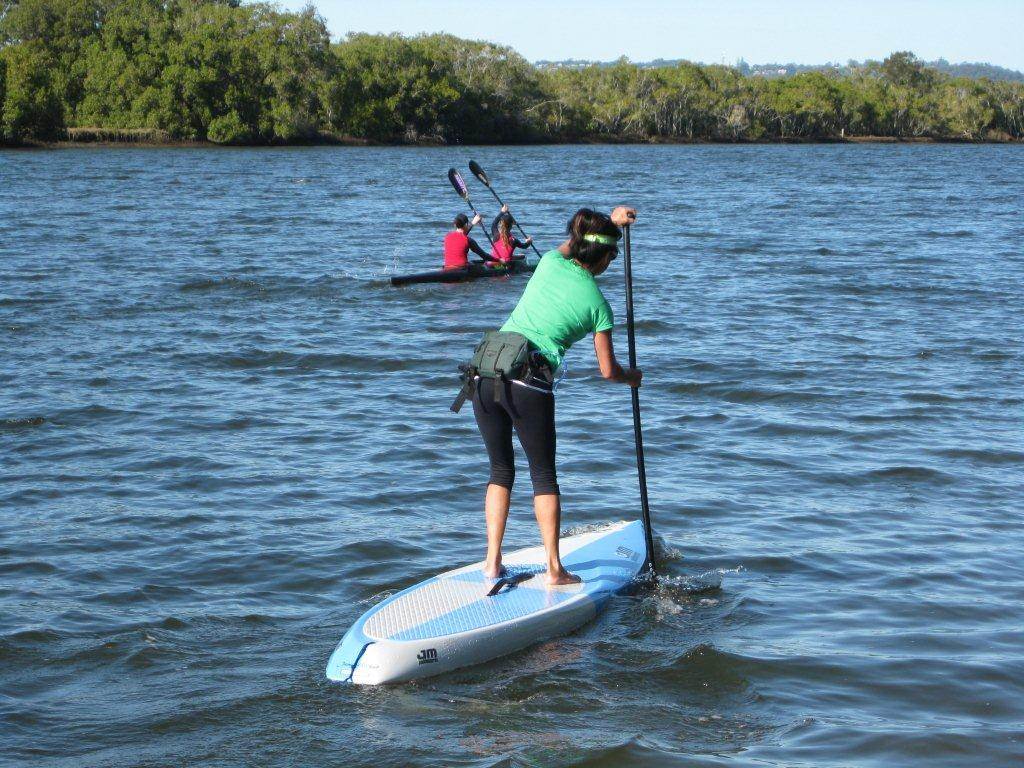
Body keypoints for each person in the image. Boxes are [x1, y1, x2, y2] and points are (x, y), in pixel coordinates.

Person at [470, 205, 641, 585]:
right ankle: (554, 569)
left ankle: (492, 562)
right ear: (603, 256)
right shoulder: (599, 306)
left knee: (500, 471)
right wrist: (633, 378)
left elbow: (571, 242)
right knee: (544, 476)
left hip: (483, 373)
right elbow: (609, 371)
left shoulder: (550, 261)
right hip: (528, 383)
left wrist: (610, 222)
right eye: (613, 255)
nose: (612, 262)